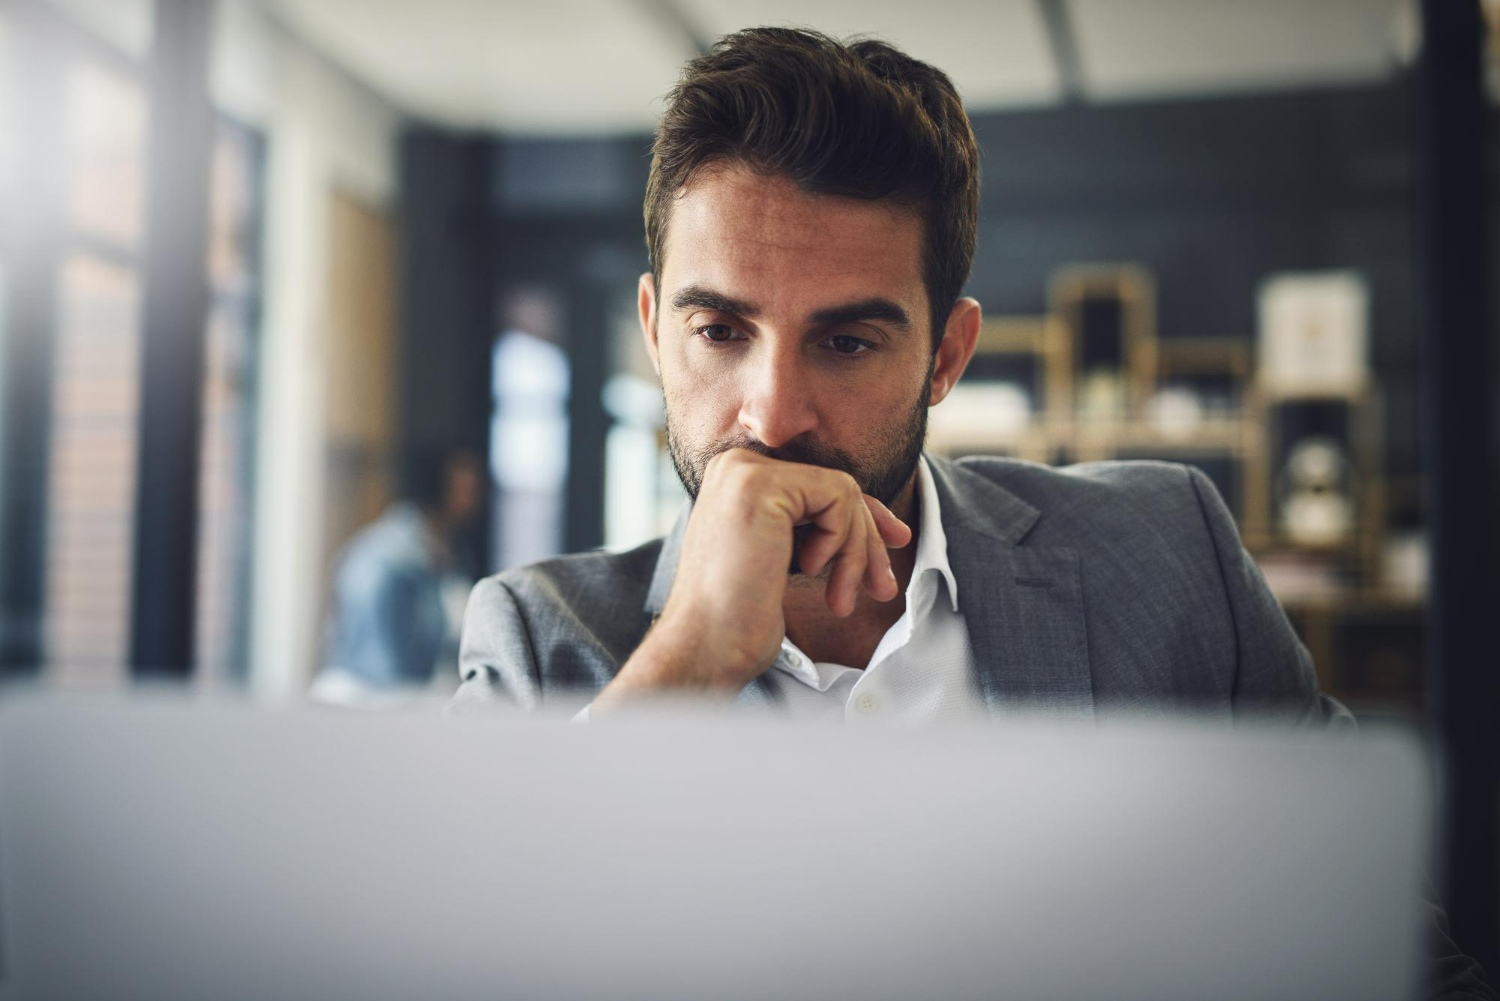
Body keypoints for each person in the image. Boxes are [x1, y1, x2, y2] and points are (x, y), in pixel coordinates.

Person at [451, 27, 1492, 997]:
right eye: (721, 330)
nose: (772, 413)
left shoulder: (1173, 556)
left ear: (946, 354)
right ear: (654, 331)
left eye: (848, 341)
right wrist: (691, 656)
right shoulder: (539, 642)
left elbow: (1396, 957)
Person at [312, 447, 481, 705]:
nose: (475, 499)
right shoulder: (386, 561)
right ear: (437, 486)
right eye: (466, 489)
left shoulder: (446, 552)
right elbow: (385, 669)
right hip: (368, 708)